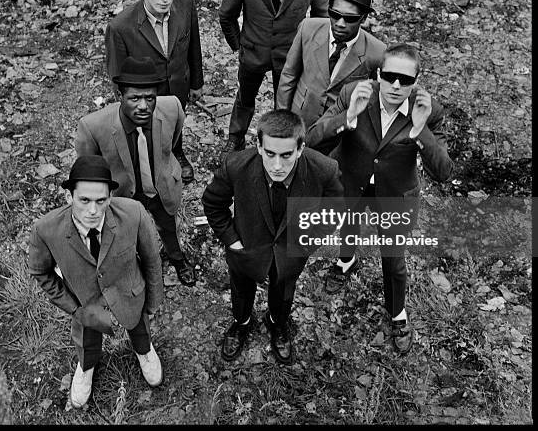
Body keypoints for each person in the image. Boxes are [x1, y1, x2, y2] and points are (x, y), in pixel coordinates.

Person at [306, 43, 453, 353]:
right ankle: (346, 261)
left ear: (417, 80)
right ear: (378, 73)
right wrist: (348, 116)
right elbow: (313, 140)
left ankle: (397, 312)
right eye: (389, 76)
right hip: (352, 184)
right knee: (348, 226)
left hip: (395, 195)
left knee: (394, 259)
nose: (396, 85)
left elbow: (443, 172)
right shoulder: (353, 93)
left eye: (405, 79)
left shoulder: (429, 110)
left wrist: (419, 130)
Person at [202, 109, 343, 364]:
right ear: (258, 145)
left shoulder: (324, 170)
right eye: (270, 154)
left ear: (300, 149)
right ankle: (241, 323)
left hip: (290, 254)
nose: (277, 165)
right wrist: (232, 240)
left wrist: (308, 243)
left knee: (284, 292)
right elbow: (213, 203)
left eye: (286, 155)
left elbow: (333, 211)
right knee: (241, 291)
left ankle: (278, 324)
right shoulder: (236, 166)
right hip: (246, 249)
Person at [28, 155, 164, 408]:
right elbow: (40, 272)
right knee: (87, 338)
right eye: (84, 200)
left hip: (129, 293)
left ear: (110, 198)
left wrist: (153, 301)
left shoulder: (133, 213)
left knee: (138, 325)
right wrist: (74, 308)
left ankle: (144, 350)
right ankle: (87, 365)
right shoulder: (45, 230)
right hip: (86, 301)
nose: (92, 210)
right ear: (69, 197)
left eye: (101, 201)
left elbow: (151, 259)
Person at [75, 55, 197, 286]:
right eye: (134, 98)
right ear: (119, 96)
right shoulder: (93, 127)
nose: (143, 106)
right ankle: (136, 268)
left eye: (150, 98)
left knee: (168, 227)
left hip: (161, 189)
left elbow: (173, 141)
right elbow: (88, 171)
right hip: (123, 196)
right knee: (127, 236)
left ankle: (177, 258)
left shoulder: (172, 108)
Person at [219, 0, 329, 158]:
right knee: (245, 98)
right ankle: (234, 139)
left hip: (289, 56)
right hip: (253, 52)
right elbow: (226, 16)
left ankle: (279, 143)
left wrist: (306, 55)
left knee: (285, 104)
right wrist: (239, 46)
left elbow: (322, 23)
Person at [105, 0, 204, 183]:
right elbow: (117, 75)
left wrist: (196, 82)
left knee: (174, 124)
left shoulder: (186, 3)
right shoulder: (121, 27)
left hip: (178, 87)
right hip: (145, 96)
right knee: (147, 136)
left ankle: (175, 151)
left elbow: (194, 46)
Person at [277, 0, 386, 129]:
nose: (340, 23)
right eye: (334, 14)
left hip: (337, 128)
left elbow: (375, 95)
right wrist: (282, 119)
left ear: (363, 18)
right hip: (299, 118)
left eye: (349, 18)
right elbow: (289, 75)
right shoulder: (308, 29)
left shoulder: (377, 51)